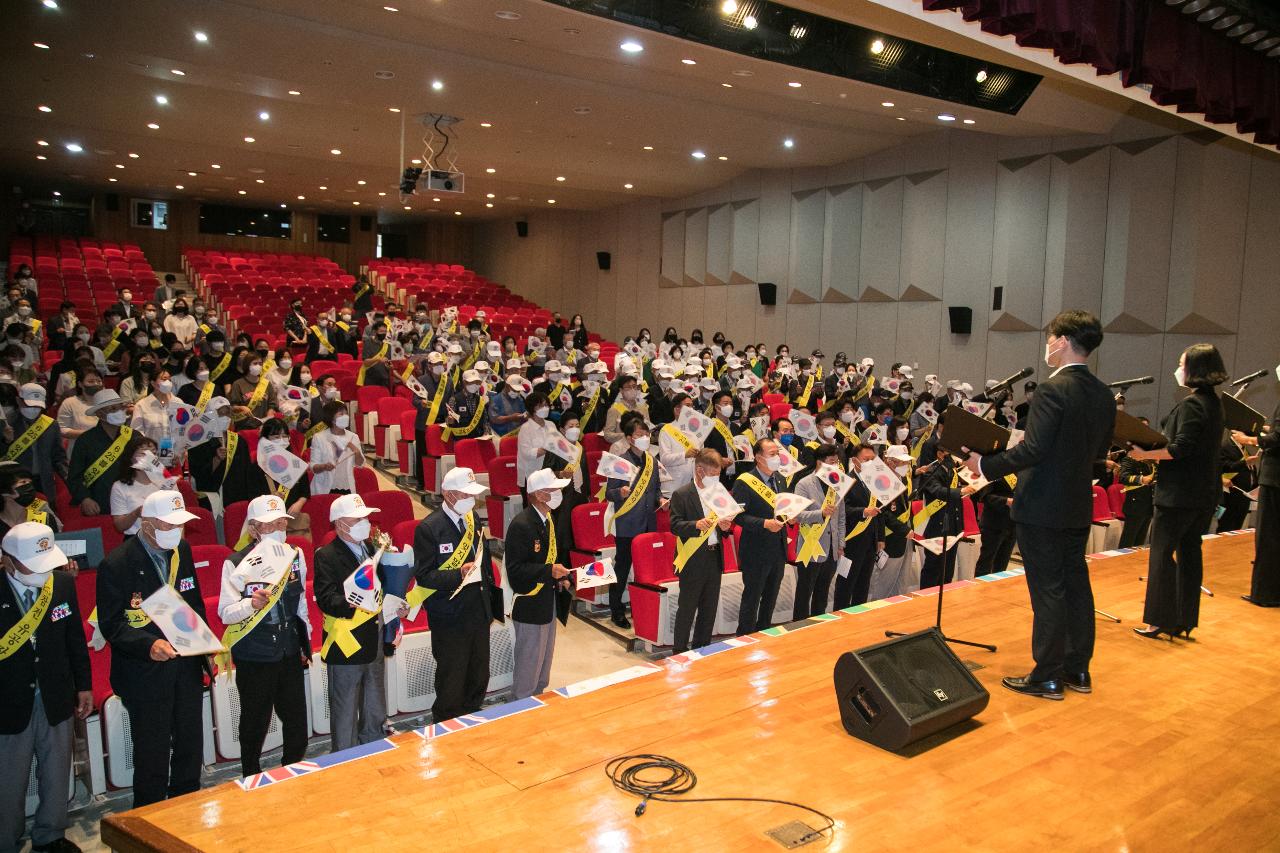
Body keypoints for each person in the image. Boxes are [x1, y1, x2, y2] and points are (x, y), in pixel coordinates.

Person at [966, 310, 1115, 700]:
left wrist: (985, 465)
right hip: (1076, 504)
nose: (1048, 344)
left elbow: (1034, 449)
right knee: (1076, 586)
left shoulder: (1053, 390)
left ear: (1063, 341)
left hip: (1041, 505)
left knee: (1048, 589)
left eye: (1051, 337)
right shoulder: (1102, 393)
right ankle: (1077, 669)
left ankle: (1047, 675)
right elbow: (1098, 453)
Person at [96, 490, 206, 806]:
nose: (177, 530)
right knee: (152, 754)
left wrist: (203, 638)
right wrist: (148, 645)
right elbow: (113, 624)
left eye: (180, 524)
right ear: (147, 523)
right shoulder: (117, 564)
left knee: (190, 746)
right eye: (168, 524)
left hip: (185, 666)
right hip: (145, 674)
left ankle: (187, 806)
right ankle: (150, 815)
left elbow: (193, 601)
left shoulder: (181, 550)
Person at [0, 522, 90, 853]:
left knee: (56, 771)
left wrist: (83, 686)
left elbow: (74, 639)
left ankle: (50, 835)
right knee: (8, 781)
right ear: (7, 560)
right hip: (9, 702)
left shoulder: (62, 584)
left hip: (55, 694)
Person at [1128, 344, 1227, 640]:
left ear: (1194, 369)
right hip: (1203, 493)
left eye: (1182, 363)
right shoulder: (1215, 403)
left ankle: (1160, 620)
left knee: (1160, 554)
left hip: (1178, 494)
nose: (1178, 368)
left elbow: (1180, 448)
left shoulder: (1192, 404)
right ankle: (1184, 618)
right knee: (1190, 553)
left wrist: (1145, 455)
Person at [217, 495, 311, 776]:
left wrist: (305, 641)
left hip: (289, 649)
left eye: (282, 522)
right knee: (254, 722)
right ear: (254, 528)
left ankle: (292, 768)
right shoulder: (235, 563)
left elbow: (301, 602)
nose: (279, 528)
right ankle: (251, 774)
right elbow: (225, 612)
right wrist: (250, 604)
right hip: (255, 654)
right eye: (271, 525)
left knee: (296, 721)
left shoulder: (295, 554)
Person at [413, 468, 498, 721]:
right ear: (448, 494)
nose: (471, 499)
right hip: (449, 616)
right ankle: (447, 724)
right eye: (466, 493)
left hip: (477, 610)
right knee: (452, 677)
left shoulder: (473, 520)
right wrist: (457, 574)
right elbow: (425, 576)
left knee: (479, 672)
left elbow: (484, 564)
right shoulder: (429, 528)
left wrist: (491, 602)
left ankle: (473, 716)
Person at [314, 495, 388, 751]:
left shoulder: (371, 548)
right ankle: (344, 756)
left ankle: (375, 744)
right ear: (339, 523)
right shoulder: (326, 555)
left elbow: (383, 585)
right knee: (345, 705)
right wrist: (354, 602)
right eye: (357, 519)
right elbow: (325, 598)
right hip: (346, 639)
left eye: (365, 518)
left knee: (375, 698)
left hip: (373, 635)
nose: (364, 523)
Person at [505, 468, 573, 699]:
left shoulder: (547, 520)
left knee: (543, 666)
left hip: (547, 601)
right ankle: (519, 709)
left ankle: (537, 699)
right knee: (529, 667)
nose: (559, 493)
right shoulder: (521, 525)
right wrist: (549, 571)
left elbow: (549, 558)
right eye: (554, 490)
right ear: (540, 494)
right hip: (530, 605)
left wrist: (559, 577)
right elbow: (515, 572)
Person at [669, 449, 734, 653]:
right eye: (713, 475)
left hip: (714, 556)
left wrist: (725, 528)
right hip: (692, 557)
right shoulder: (682, 494)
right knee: (687, 608)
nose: (716, 480)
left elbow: (725, 525)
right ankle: (679, 651)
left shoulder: (719, 493)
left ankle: (702, 648)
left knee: (709, 608)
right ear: (699, 470)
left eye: (718, 475)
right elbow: (674, 525)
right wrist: (696, 525)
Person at [605, 413, 664, 630]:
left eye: (646, 434)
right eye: (640, 435)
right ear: (630, 438)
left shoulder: (652, 461)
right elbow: (608, 493)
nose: (645, 438)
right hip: (628, 523)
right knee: (622, 566)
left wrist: (661, 499)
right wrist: (619, 492)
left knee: (645, 567)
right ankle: (616, 609)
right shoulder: (620, 462)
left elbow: (656, 489)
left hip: (648, 522)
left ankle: (642, 608)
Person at [731, 439, 788, 635]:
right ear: (758, 457)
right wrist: (764, 524)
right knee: (752, 598)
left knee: (770, 598)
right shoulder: (744, 481)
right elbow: (737, 516)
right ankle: (745, 636)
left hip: (778, 549)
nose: (776, 457)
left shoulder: (780, 479)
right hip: (755, 550)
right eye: (771, 454)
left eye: (777, 453)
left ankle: (764, 633)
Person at [790, 443, 846, 619]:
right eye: (832, 461)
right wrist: (820, 513)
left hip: (831, 547)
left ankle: (819, 623)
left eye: (837, 462)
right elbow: (797, 515)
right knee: (805, 591)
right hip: (811, 545)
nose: (835, 465)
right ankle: (799, 625)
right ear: (820, 463)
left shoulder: (836, 483)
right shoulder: (804, 483)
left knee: (822, 591)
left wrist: (840, 544)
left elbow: (841, 517)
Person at [1234, 398, 1280, 607]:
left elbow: (1277, 438)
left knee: (1267, 537)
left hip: (1275, 478)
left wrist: (1249, 439)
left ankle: (1265, 594)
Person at [66, 390, 132, 518]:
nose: (119, 412)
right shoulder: (85, 441)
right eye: (113, 409)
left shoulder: (134, 436)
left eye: (121, 408)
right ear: (99, 413)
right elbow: (74, 477)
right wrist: (85, 498)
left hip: (131, 504)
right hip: (100, 505)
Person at [2, 384, 67, 511]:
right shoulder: (7, 425)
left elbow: (58, 457)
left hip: (44, 482)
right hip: (16, 486)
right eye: (29, 405)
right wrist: (6, 441)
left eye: (37, 406)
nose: (34, 409)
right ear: (19, 401)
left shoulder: (50, 425)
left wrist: (67, 476)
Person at [840, 444, 886, 608]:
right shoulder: (846, 481)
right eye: (866, 460)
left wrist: (880, 537)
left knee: (864, 582)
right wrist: (863, 512)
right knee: (846, 582)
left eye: (873, 460)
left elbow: (880, 510)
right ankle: (841, 615)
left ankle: (860, 612)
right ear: (854, 460)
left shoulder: (874, 480)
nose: (870, 463)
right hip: (852, 540)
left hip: (870, 540)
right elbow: (842, 509)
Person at [110, 438, 170, 537]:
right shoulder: (119, 486)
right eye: (143, 453)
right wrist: (136, 513)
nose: (150, 457)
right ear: (130, 457)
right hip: (136, 539)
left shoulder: (166, 482)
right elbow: (119, 526)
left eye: (153, 453)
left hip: (164, 537)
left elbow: (178, 514)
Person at [309, 400, 364, 494]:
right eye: (341, 414)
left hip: (347, 486)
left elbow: (360, 464)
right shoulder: (319, 437)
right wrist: (324, 466)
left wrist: (357, 452)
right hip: (325, 488)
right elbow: (313, 467)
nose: (345, 416)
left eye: (346, 414)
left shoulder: (353, 437)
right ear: (331, 418)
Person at [1117, 425, 1157, 548]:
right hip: (1135, 504)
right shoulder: (1129, 460)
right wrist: (1141, 479)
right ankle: (1122, 562)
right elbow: (1123, 477)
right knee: (1128, 541)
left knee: (1140, 542)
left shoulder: (1150, 461)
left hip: (1148, 504)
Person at [974, 473, 1016, 577]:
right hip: (993, 523)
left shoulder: (1018, 471)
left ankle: (997, 591)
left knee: (1002, 565)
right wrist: (1006, 501)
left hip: (1012, 523)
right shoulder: (994, 471)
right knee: (986, 563)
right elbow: (983, 496)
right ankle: (980, 591)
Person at [55, 364, 102, 456]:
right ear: (80, 384)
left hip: (105, 453)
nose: (96, 384)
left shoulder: (109, 403)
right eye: (91, 381)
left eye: (99, 381)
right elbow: (62, 429)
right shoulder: (70, 403)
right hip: (78, 452)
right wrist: (86, 434)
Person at [1217, 430, 1257, 533]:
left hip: (1243, 496)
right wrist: (1244, 462)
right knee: (1226, 527)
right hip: (1230, 496)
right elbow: (1225, 466)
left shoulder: (1243, 449)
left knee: (1236, 529)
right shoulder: (1225, 446)